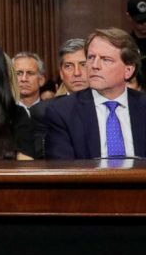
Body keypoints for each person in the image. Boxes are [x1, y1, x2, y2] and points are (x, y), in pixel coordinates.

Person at [45, 28, 146, 159]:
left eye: (106, 59)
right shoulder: (62, 112)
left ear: (128, 70)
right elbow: (63, 171)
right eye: (91, 57)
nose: (94, 65)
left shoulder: (143, 106)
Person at [29, 38, 89, 157]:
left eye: (83, 65)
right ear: (61, 73)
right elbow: (44, 159)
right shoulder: (43, 111)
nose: (77, 73)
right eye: (68, 66)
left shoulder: (110, 105)